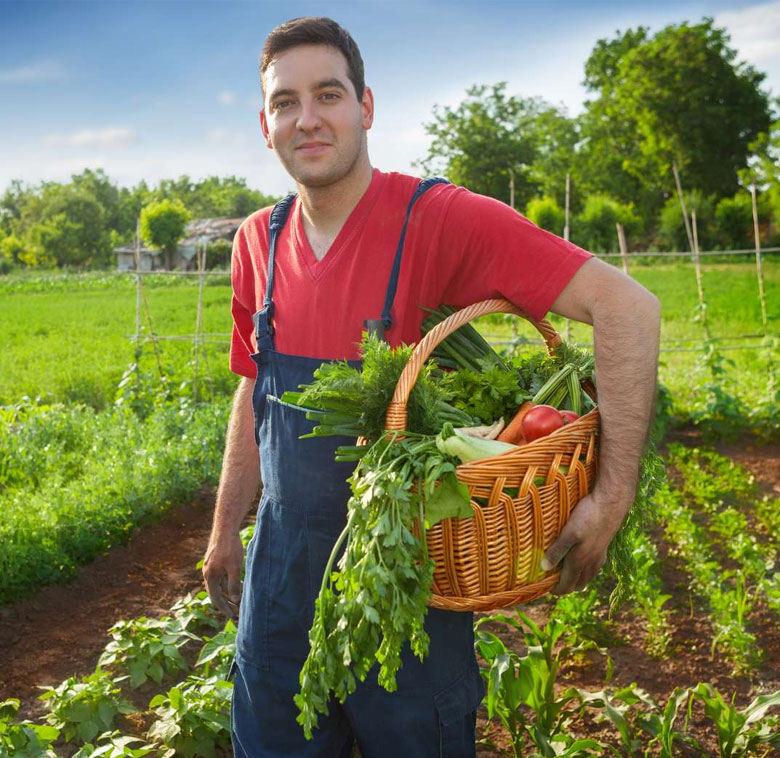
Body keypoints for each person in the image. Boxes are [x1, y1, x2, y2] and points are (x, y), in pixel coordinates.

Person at [202, 16, 660, 758]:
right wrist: (227, 529)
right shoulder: (257, 239)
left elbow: (629, 308)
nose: (307, 117)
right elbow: (253, 391)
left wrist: (611, 495)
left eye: (329, 94)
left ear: (367, 107)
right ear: (266, 124)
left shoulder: (435, 218)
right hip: (281, 578)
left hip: (405, 576)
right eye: (286, 102)